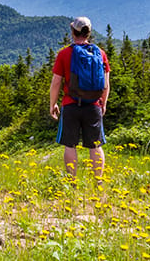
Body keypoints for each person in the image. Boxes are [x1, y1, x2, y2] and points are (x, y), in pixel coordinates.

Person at [50, 16, 110, 183]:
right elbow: (106, 84)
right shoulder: (100, 54)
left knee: (70, 145)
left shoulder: (64, 54)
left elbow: (56, 82)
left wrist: (52, 104)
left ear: (73, 32)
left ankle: (72, 181)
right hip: (93, 105)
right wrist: (103, 103)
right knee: (95, 145)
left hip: (71, 105)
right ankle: (98, 181)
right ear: (89, 32)